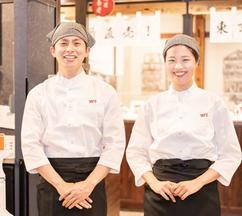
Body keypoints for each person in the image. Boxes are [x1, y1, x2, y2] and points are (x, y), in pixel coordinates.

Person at [126, 34, 242, 216]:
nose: (178, 66)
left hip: (201, 189)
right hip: (160, 189)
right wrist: (155, 183)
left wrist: (198, 182)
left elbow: (231, 154)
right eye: (171, 60)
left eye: (185, 60)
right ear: (165, 64)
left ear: (196, 62)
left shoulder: (213, 102)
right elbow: (135, 152)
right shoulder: (152, 104)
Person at [21, 22, 125, 216]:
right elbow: (30, 145)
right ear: (53, 50)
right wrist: (62, 186)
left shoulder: (105, 92)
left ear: (86, 51)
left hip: (92, 182)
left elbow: (115, 144)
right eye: (64, 43)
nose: (70, 49)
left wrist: (87, 185)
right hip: (52, 183)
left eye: (77, 43)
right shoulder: (39, 94)